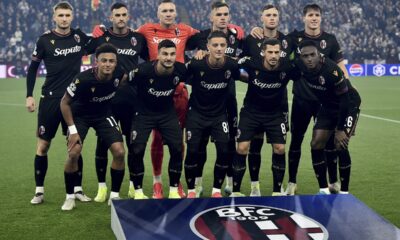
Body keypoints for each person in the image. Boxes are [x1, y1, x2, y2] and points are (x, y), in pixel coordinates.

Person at [25, 1, 91, 205]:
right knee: (43, 145)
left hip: (74, 99)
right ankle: (39, 191)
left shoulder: (79, 37)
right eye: (60, 15)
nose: (64, 19)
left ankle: (78, 189)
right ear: (54, 17)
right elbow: (32, 68)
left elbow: (101, 43)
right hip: (51, 99)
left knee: (75, 145)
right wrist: (29, 95)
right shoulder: (44, 40)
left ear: (72, 17)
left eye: (67, 15)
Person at [284, 4, 350, 195]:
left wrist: (347, 88)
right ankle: (291, 182)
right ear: (303, 17)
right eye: (310, 15)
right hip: (302, 100)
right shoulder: (294, 38)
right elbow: (276, 43)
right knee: (296, 140)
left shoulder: (330, 40)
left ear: (321, 18)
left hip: (325, 103)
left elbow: (340, 67)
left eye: (317, 15)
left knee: (328, 143)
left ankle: (333, 182)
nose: (314, 18)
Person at [135, 0, 198, 199]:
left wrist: (233, 28)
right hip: (154, 93)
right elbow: (127, 38)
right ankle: (157, 183)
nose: (169, 14)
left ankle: (175, 182)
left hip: (179, 93)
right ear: (158, 13)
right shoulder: (146, 29)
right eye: (165, 11)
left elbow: (208, 36)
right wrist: (100, 31)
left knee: (178, 140)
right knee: (157, 138)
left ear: (175, 13)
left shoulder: (185, 30)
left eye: (171, 10)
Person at [87, 2, 148, 202]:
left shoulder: (138, 38)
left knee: (134, 146)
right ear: (111, 17)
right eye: (117, 15)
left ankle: (133, 186)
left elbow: (150, 61)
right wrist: (92, 32)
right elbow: (85, 51)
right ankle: (102, 187)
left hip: (133, 100)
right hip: (107, 102)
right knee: (102, 144)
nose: (121, 18)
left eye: (123, 14)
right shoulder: (103, 38)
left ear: (128, 16)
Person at [186, 0, 244, 197]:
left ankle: (227, 185)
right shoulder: (200, 37)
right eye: (219, 14)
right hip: (203, 100)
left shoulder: (237, 37)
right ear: (211, 17)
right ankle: (197, 184)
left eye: (226, 14)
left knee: (228, 143)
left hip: (228, 99)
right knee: (198, 145)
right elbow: (179, 48)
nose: (222, 18)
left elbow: (249, 55)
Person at [60, 43, 127, 211]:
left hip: (103, 115)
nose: (107, 64)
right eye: (103, 60)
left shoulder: (119, 74)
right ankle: (69, 197)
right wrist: (73, 131)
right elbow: (64, 102)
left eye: (111, 61)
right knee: (73, 153)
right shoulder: (82, 79)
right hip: (80, 116)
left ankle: (114, 196)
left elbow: (124, 83)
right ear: (96, 61)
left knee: (119, 151)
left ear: (116, 63)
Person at [231, 38, 297, 197]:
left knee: (280, 148)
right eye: (270, 52)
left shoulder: (287, 66)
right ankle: (236, 191)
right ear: (263, 52)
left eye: (276, 52)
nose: (274, 56)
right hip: (251, 113)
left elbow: (305, 73)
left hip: (275, 115)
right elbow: (232, 64)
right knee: (242, 148)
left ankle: (276, 191)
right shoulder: (251, 62)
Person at [296, 40, 361, 194]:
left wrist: (340, 129)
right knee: (316, 143)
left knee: (341, 144)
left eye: (313, 55)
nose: (309, 59)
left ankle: (344, 192)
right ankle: (324, 189)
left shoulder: (331, 70)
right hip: (327, 107)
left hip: (348, 105)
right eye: (306, 56)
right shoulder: (299, 66)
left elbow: (345, 99)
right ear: (301, 58)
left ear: (319, 55)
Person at [241, 4, 291, 196]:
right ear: (261, 18)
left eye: (274, 15)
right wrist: (252, 79)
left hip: (279, 102)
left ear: (279, 18)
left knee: (279, 146)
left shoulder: (288, 41)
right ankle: (255, 187)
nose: (271, 18)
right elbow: (240, 64)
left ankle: (278, 189)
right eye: (268, 15)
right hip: (255, 101)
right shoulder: (251, 40)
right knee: (255, 144)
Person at [128, 40, 187, 200]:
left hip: (167, 114)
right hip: (144, 114)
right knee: (137, 150)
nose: (168, 58)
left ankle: (174, 189)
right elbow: (125, 83)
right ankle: (138, 191)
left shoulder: (181, 70)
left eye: (172, 54)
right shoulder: (143, 70)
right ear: (158, 54)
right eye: (165, 54)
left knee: (177, 149)